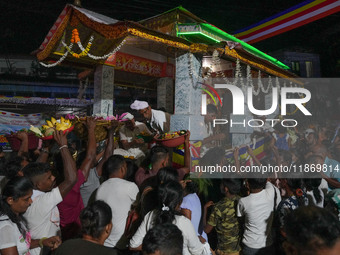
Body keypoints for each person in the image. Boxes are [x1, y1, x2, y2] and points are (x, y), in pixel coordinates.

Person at [22, 130, 77, 255]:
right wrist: (63, 146)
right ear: (38, 185)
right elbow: (72, 179)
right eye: (49, 178)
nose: (53, 178)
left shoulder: (29, 194)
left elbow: (36, 173)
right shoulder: (41, 202)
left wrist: (46, 148)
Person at [130, 181, 211, 255]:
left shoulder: (151, 215)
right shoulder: (184, 222)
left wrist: (155, 249)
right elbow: (197, 251)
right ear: (179, 202)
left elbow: (133, 245)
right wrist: (204, 244)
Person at [0, 176, 61, 255]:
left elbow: (22, 244)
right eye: (26, 199)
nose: (30, 201)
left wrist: (42, 241)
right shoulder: (5, 227)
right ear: (10, 200)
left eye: (31, 197)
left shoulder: (17, 218)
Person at [96, 155, 139, 250]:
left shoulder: (101, 187)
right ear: (123, 168)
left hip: (103, 241)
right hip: (120, 243)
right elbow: (141, 206)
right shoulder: (130, 186)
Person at [236, 178, 281, 255]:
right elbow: (268, 182)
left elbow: (240, 217)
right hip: (268, 245)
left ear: (247, 184)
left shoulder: (243, 201)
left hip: (250, 245)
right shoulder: (270, 192)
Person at [204, 179, 243, 255]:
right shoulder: (241, 201)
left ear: (226, 189)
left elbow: (206, 230)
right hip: (238, 249)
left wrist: (205, 209)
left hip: (224, 250)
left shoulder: (219, 207)